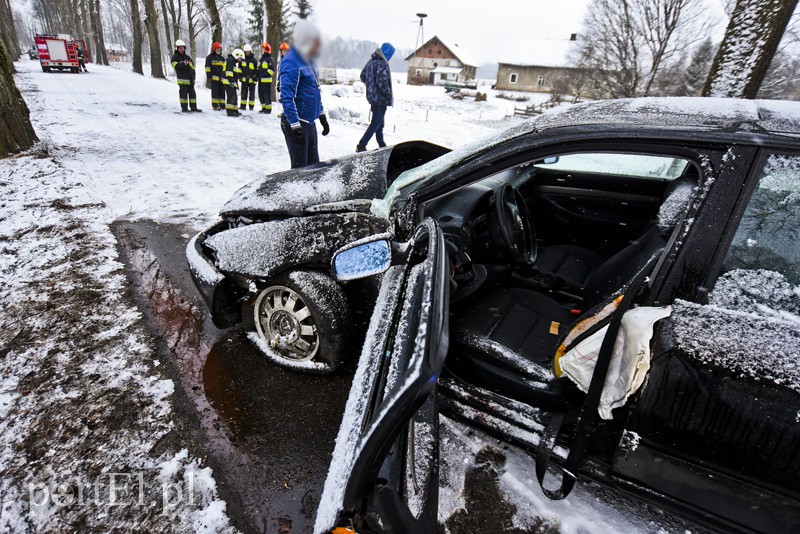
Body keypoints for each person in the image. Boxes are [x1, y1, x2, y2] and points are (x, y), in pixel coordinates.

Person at [279, 20, 330, 169]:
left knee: (314, 168)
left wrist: (321, 114)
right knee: (300, 172)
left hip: (310, 122)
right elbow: (287, 96)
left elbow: (314, 90)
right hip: (296, 122)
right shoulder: (291, 61)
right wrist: (295, 125)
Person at [357, 43, 395, 152]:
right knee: (376, 122)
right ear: (387, 53)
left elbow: (363, 76)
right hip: (380, 99)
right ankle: (361, 145)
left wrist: (371, 85)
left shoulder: (371, 62)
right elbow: (382, 82)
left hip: (372, 98)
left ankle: (381, 144)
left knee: (379, 122)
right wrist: (388, 94)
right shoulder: (381, 63)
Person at [171, 40, 201, 112]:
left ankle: (193, 108)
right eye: (180, 48)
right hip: (182, 80)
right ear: (177, 48)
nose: (182, 49)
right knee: (183, 95)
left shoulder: (187, 57)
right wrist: (183, 64)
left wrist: (193, 76)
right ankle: (184, 108)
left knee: (192, 95)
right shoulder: (175, 57)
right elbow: (175, 65)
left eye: (183, 48)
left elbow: (192, 67)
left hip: (190, 80)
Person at [223, 48, 245, 116]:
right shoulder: (231, 60)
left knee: (234, 96)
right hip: (229, 82)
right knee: (231, 97)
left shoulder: (231, 60)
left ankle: (235, 110)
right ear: (237, 55)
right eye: (240, 58)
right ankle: (230, 111)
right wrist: (232, 82)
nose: (240, 60)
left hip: (230, 82)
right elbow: (229, 72)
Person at [205, 42, 225, 111]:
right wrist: (209, 77)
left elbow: (224, 69)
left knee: (222, 92)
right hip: (214, 79)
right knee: (215, 93)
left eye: (220, 49)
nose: (218, 50)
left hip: (222, 79)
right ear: (214, 49)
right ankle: (215, 105)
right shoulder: (209, 57)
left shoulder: (222, 58)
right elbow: (207, 68)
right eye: (217, 49)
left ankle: (222, 105)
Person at [257, 43, 275, 114]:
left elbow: (271, 70)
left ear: (267, 50)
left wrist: (264, 74)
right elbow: (259, 69)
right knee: (261, 94)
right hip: (261, 81)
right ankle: (263, 107)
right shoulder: (261, 59)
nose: (261, 50)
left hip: (266, 81)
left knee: (266, 95)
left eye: (262, 49)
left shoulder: (269, 59)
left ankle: (268, 109)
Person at [239, 44, 258, 110]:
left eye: (248, 52)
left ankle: (251, 107)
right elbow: (239, 69)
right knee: (243, 94)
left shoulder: (254, 61)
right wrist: (240, 77)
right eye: (246, 52)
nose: (247, 53)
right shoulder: (242, 60)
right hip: (244, 80)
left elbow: (256, 70)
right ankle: (243, 106)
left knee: (252, 95)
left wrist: (255, 78)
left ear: (250, 51)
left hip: (252, 81)